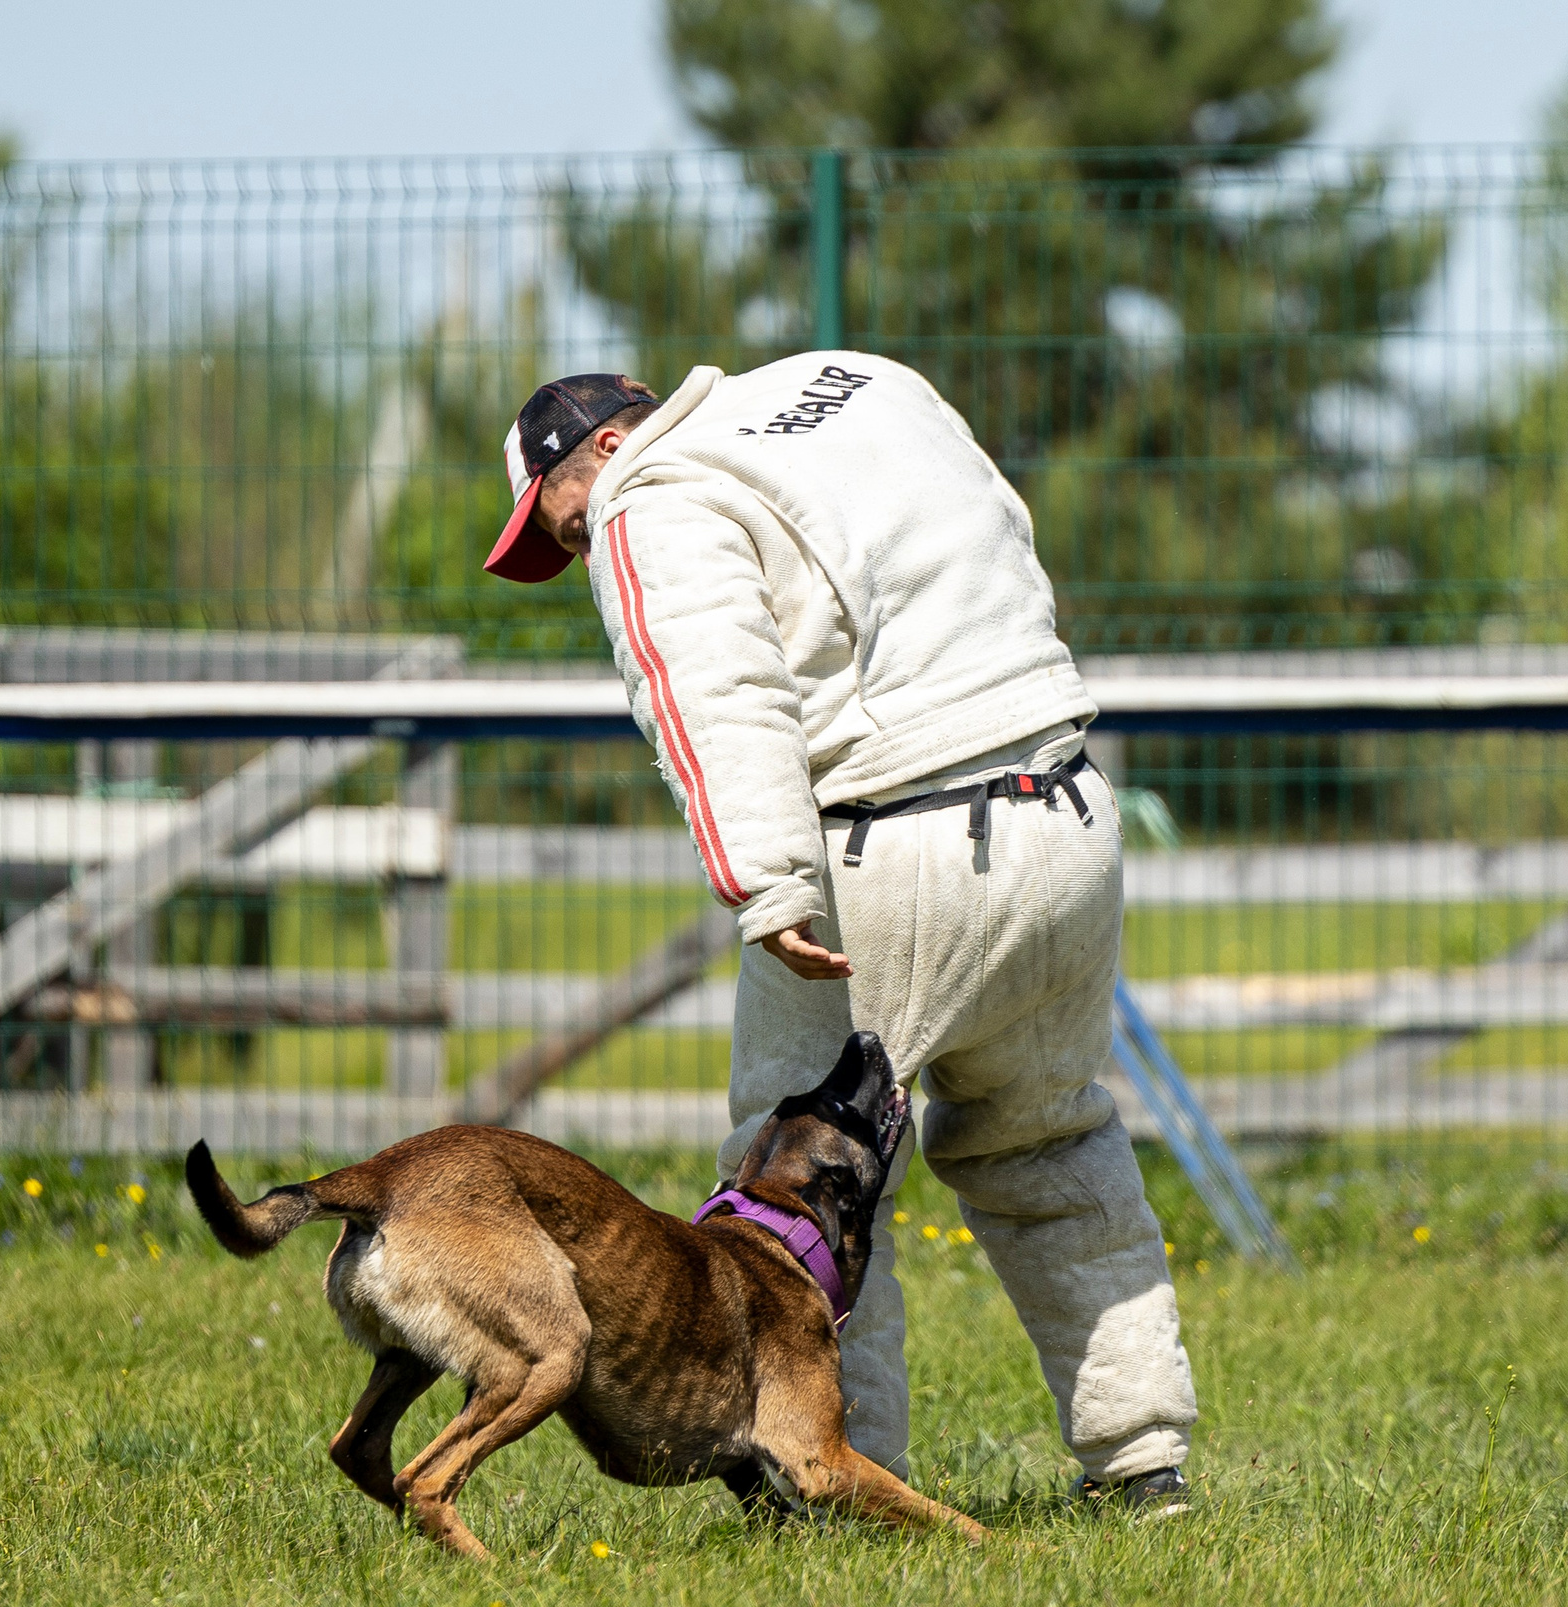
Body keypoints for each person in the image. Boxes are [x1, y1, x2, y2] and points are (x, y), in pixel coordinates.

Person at [482, 357, 1198, 1513]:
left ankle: (828, 1487)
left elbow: (714, 689)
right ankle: (1142, 1459)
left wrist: (765, 882)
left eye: (559, 523)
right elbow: (1005, 526)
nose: (575, 549)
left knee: (793, 1179)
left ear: (602, 450)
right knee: (1050, 1141)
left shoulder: (648, 497)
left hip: (895, 842)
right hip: (1064, 804)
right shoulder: (855, 379)